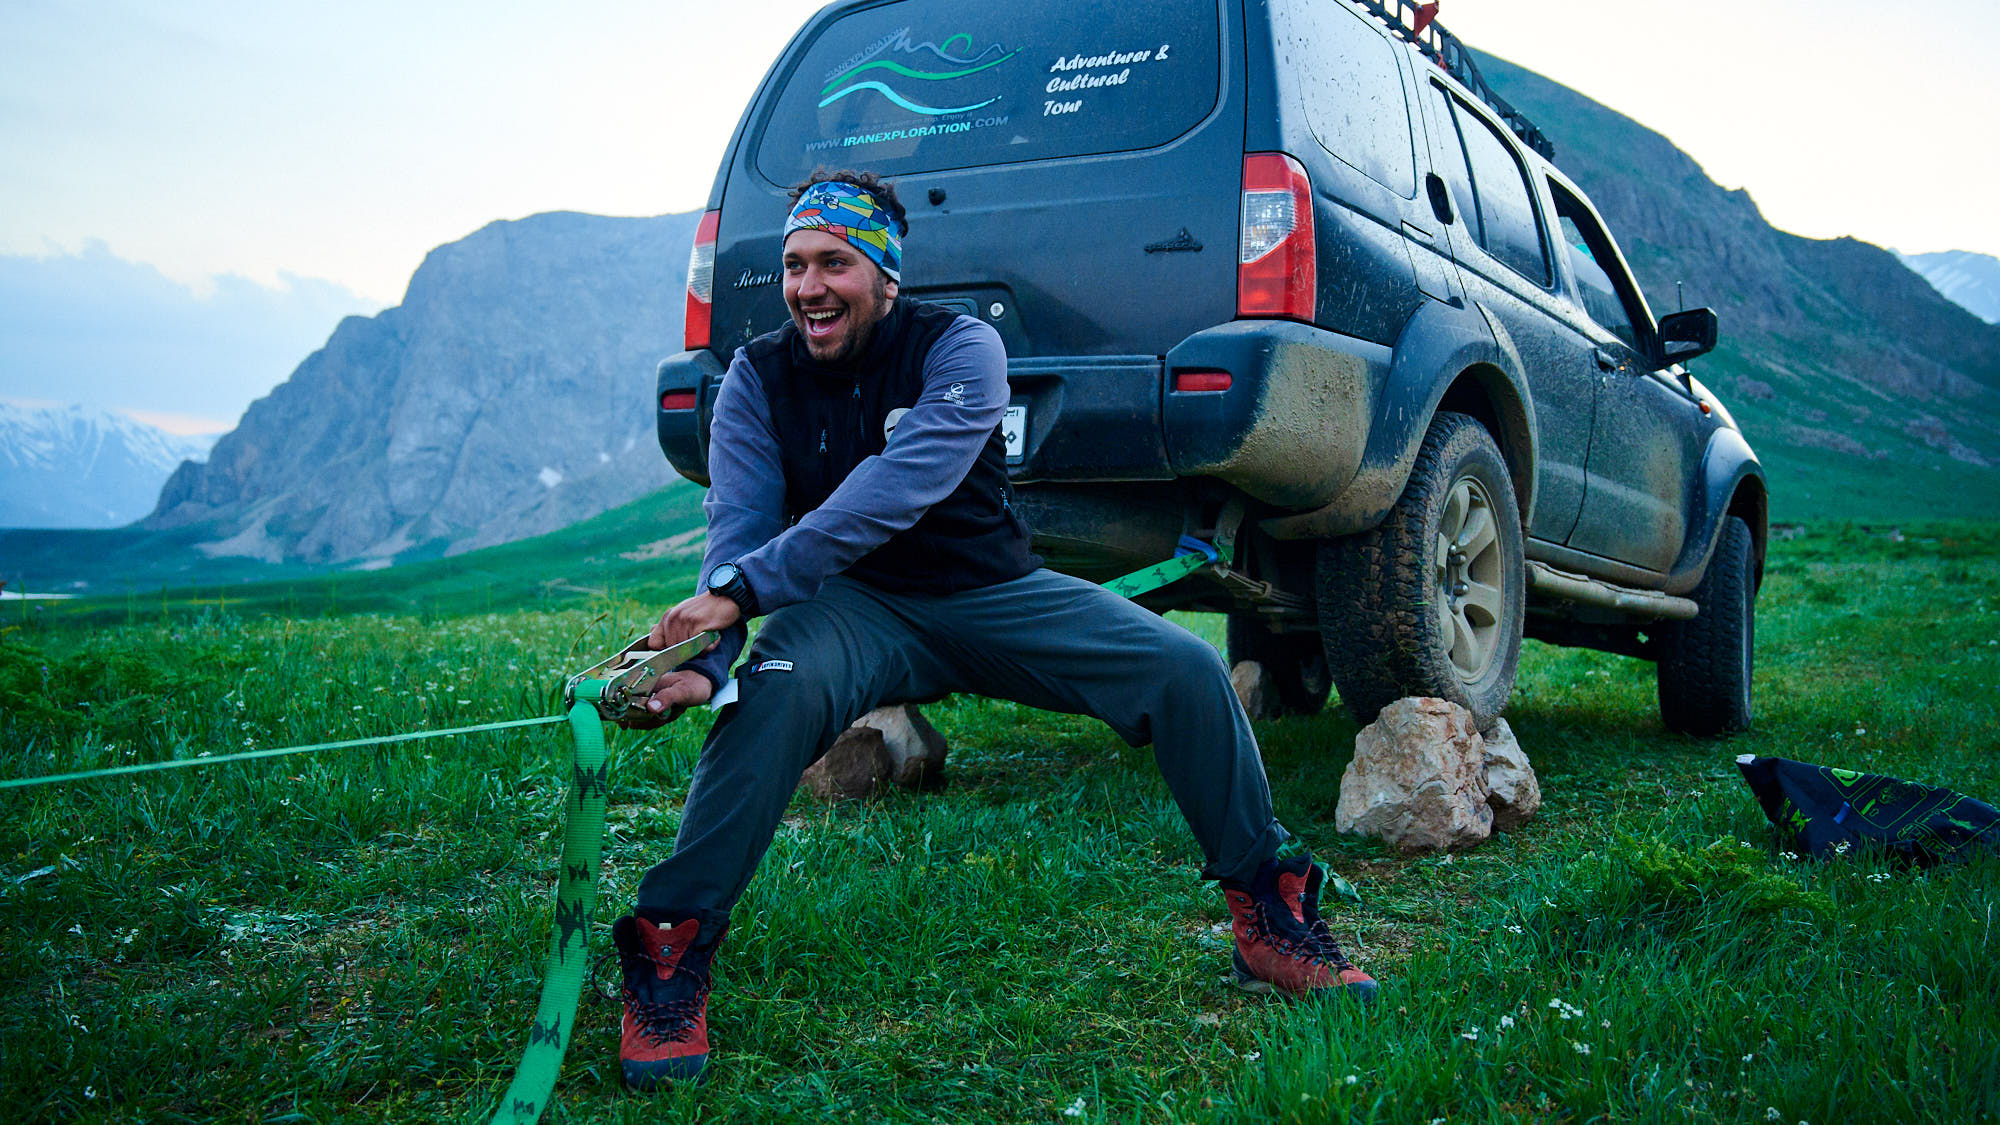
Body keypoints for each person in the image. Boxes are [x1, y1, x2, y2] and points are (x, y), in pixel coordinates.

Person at [608, 170, 1376, 1091]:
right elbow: (736, 529)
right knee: (770, 692)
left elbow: (895, 489)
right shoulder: (753, 382)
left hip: (992, 592)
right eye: (794, 264)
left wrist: (746, 590)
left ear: (886, 275)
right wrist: (711, 656)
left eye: (835, 263)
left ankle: (1269, 910)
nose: (809, 285)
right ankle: (670, 954)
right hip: (857, 611)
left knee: (1180, 668)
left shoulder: (960, 348)